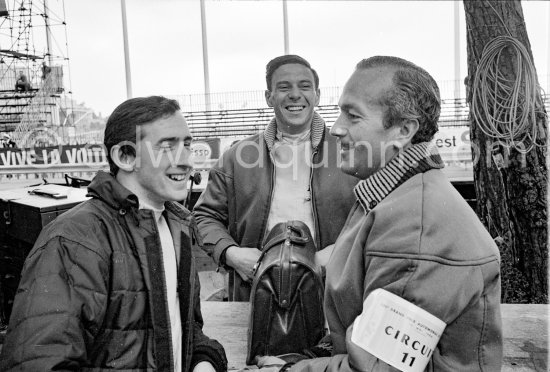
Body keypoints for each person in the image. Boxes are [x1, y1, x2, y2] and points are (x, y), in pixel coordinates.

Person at [256, 56, 502, 371]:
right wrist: (305, 360)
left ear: (403, 129)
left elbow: (376, 366)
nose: (336, 129)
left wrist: (291, 370)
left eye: (353, 116)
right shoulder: (390, 198)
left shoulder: (416, 227)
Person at [0, 96, 228, 372]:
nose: (186, 161)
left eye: (187, 145)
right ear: (125, 157)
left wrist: (203, 361)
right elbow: (38, 363)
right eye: (167, 147)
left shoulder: (176, 227)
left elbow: (183, 331)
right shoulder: (74, 238)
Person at [193, 55, 358, 301]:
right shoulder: (236, 158)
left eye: (304, 86)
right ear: (269, 97)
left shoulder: (352, 151)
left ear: (317, 95)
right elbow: (204, 216)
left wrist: (342, 251)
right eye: (284, 87)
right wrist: (231, 254)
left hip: (332, 293)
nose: (295, 94)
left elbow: (377, 214)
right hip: (257, 293)